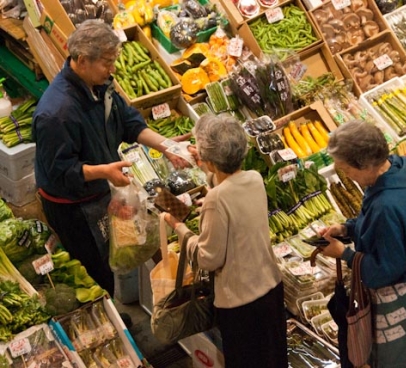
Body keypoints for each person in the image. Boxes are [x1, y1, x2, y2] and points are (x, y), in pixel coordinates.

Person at [31, 20, 189, 298]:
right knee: (95, 265)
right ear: (81, 60)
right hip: (73, 205)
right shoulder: (56, 113)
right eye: (107, 62)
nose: (112, 68)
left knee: (116, 249)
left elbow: (128, 122)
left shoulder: (100, 85)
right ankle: (113, 314)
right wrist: (105, 171)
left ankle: (124, 296)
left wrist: (166, 146)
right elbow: (61, 172)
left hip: (103, 185)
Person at [164, 114, 288, 368]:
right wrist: (207, 173)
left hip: (241, 302)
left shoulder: (216, 199)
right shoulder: (254, 178)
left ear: (210, 161)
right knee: (274, 358)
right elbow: (228, 189)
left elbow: (208, 258)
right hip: (271, 290)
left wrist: (179, 228)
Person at [319, 120, 406, 367]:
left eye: (346, 170)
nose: (347, 176)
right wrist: (348, 228)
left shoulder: (387, 204)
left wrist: (344, 254)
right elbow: (385, 231)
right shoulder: (395, 171)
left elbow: (386, 270)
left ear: (365, 164)